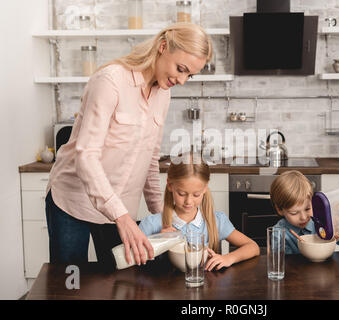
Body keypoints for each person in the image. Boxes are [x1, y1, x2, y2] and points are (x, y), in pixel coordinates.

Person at [45, 23, 213, 269]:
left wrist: (162, 217)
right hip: (73, 201)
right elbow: (86, 155)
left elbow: (150, 161)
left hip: (120, 210)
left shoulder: (163, 94)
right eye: (181, 69)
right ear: (163, 47)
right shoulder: (111, 80)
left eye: (190, 75)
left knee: (121, 283)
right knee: (72, 283)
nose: (183, 80)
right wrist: (121, 217)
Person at [138, 153, 260, 271]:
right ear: (170, 185)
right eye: (182, 194)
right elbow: (132, 260)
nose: (188, 201)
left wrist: (229, 258)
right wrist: (159, 241)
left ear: (205, 188)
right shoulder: (151, 224)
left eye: (196, 195)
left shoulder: (217, 221)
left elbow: (253, 247)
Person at [270, 170, 339, 255]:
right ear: (280, 210)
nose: (303, 217)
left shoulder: (326, 223)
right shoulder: (278, 234)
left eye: (307, 209)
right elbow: (281, 264)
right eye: (294, 213)